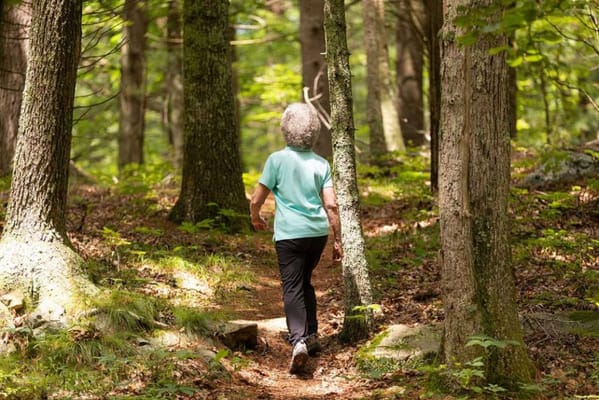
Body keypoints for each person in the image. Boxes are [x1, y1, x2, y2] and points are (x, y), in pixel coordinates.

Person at [250, 103, 343, 374]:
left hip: (289, 235)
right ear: (312, 131)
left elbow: (257, 199)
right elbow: (332, 206)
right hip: (317, 235)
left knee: (292, 286)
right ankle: (312, 335)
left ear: (285, 129)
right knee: (304, 282)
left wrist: (255, 217)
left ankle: (299, 341)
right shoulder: (321, 163)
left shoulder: (276, 160)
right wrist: (337, 239)